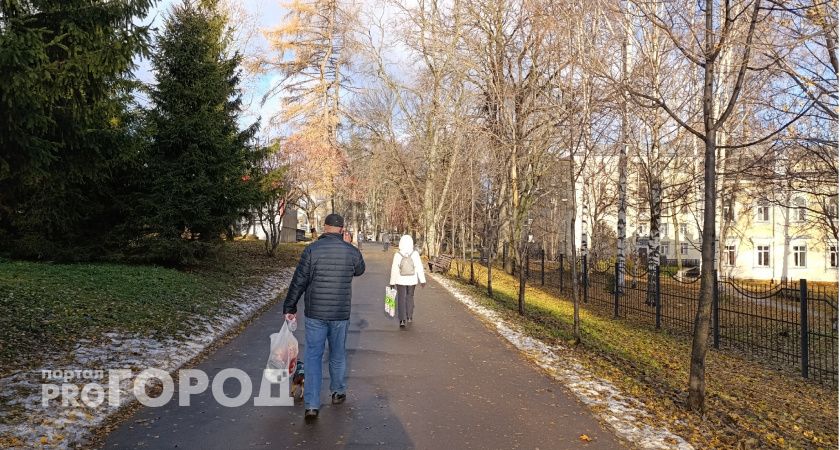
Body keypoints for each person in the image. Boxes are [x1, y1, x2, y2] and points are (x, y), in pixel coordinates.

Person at [283, 213, 366, 423]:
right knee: (337, 354)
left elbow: (299, 281)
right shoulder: (350, 252)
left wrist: (290, 306)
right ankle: (337, 392)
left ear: (325, 227)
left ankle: (311, 405)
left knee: (313, 356)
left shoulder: (312, 250)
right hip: (340, 313)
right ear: (341, 229)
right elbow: (360, 270)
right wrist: (352, 246)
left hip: (315, 313)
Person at [389, 234, 426, 328]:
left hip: (400, 280)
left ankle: (402, 320)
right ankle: (409, 316)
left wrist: (392, 282)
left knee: (401, 298)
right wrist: (422, 280)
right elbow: (419, 267)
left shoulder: (397, 254)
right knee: (410, 296)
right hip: (412, 280)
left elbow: (394, 269)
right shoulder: (415, 254)